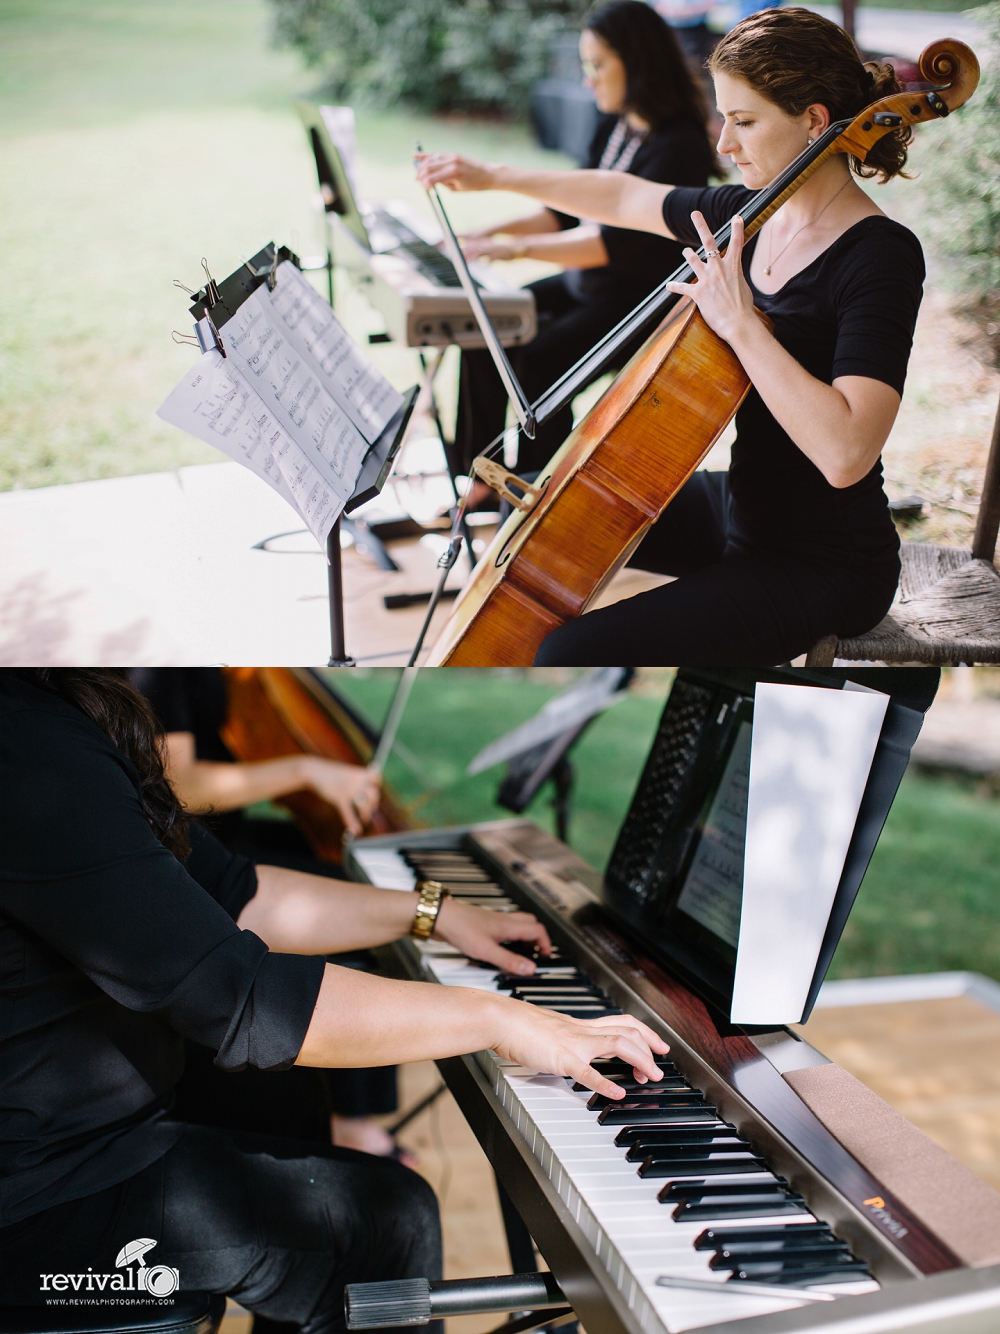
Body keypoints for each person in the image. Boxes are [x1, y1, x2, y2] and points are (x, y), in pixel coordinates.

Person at [0, 669, 667, 1320]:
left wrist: (431, 911)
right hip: (38, 1200)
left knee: (292, 1108)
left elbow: (238, 892)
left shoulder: (44, 720)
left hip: (78, 1135)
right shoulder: (30, 749)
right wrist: (498, 1017)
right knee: (386, 1220)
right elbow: (244, 1001)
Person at [418, 6, 923, 667]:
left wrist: (741, 323)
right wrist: (493, 175)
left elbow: (846, 451)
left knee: (568, 653)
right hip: (745, 506)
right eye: (723, 118)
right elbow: (627, 198)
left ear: (815, 122)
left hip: (822, 561)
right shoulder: (752, 217)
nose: (724, 143)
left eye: (743, 122)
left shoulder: (879, 254)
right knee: (542, 510)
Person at [129, 668, 402, 1165]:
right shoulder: (154, 658)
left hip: (217, 833)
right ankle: (348, 1122)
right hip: (184, 852)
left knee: (337, 869)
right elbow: (178, 785)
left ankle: (343, 1107)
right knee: (355, 915)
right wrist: (304, 769)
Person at [448, 0, 718, 480]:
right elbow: (567, 208)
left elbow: (610, 244)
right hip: (588, 285)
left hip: (635, 303)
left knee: (540, 366)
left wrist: (512, 250)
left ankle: (531, 489)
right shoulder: (615, 123)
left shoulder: (679, 144)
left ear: (635, 63)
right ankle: (474, 474)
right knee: (481, 327)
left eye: (597, 65)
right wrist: (489, 232)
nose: (587, 79)